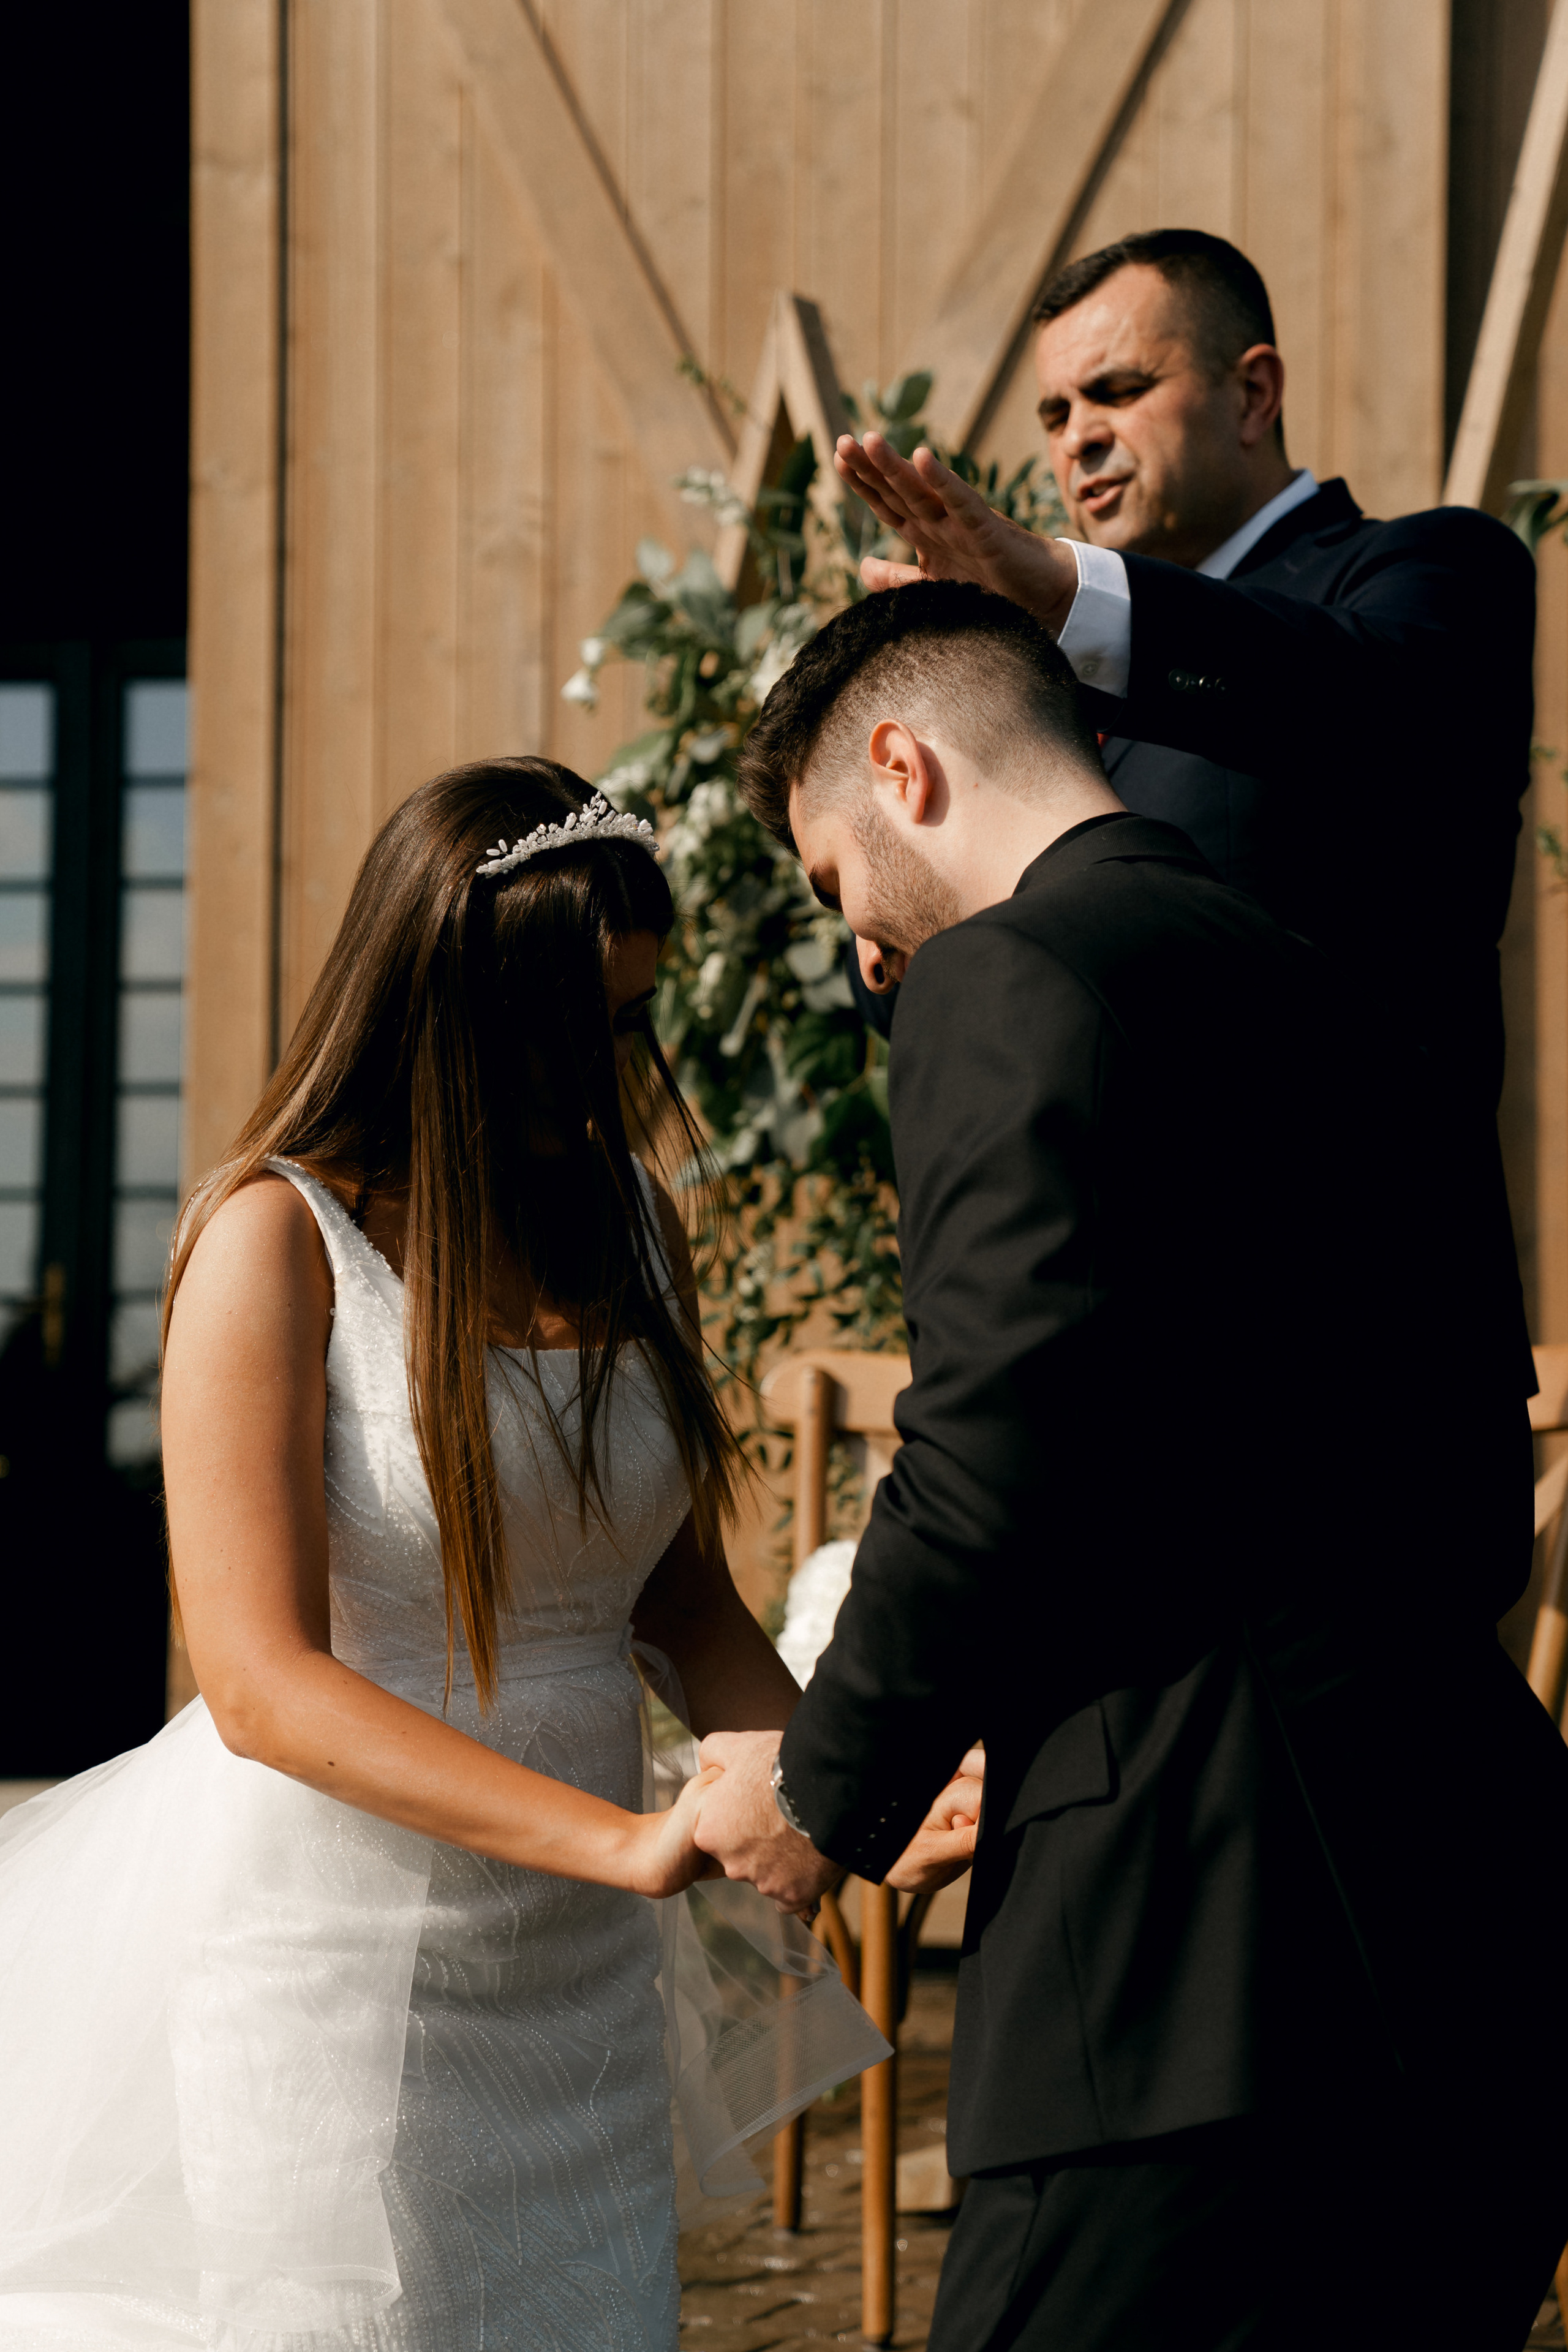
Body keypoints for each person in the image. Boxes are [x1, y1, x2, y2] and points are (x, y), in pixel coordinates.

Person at [693, 580, 1568, 2352]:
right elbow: (1469, 1463)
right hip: (1482, 1941)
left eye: (832, 881)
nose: (861, 951)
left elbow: (994, 1444)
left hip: (1187, 1981)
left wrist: (818, 1792)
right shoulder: (1345, 982)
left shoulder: (1012, 975)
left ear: (902, 766)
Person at [0, 759, 888, 2352]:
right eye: (590, 1032)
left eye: (638, 1021)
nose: (628, 1075)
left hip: (581, 1982)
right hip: (335, 1957)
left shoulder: (633, 1224)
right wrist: (619, 1843)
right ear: (452, 1014)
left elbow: (678, 1601)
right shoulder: (276, 1244)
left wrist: (822, 1772)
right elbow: (263, 1683)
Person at [834, 228, 1534, 1360]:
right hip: (1102, 1362)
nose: (1080, 438)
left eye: (1118, 389)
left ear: (1253, 392)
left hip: (1357, 1353)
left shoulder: (1433, 575)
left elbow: (1355, 695)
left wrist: (1073, 599)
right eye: (1055, 415)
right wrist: (883, 895)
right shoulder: (1032, 675)